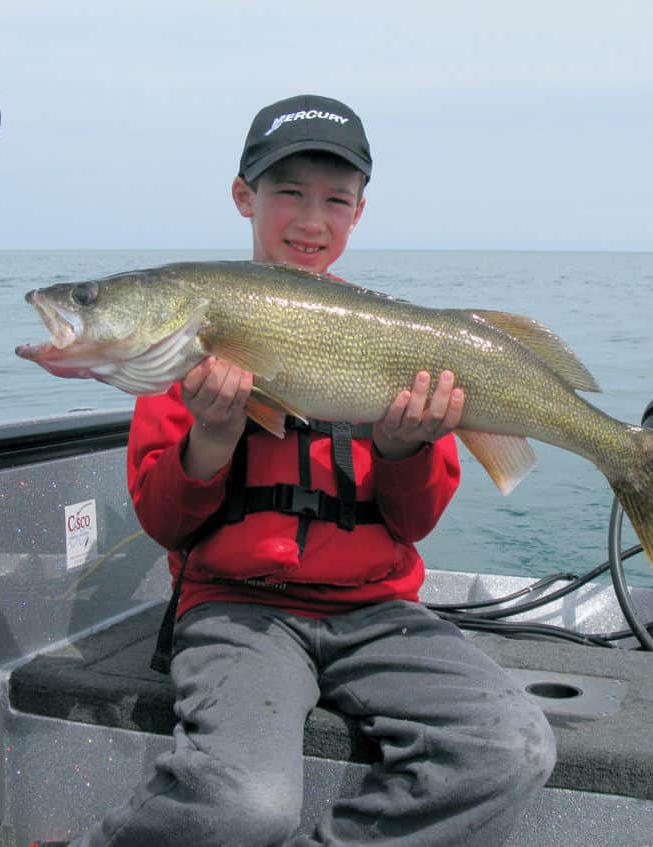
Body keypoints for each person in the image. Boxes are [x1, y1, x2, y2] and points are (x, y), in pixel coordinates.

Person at [65, 94, 556, 847]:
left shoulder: (391, 328)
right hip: (238, 609)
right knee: (245, 803)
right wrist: (213, 435)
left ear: (359, 213)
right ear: (244, 197)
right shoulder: (183, 338)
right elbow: (164, 520)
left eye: (335, 199)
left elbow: (416, 519)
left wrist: (405, 446)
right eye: (287, 190)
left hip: (376, 610)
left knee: (512, 747)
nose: (310, 218)